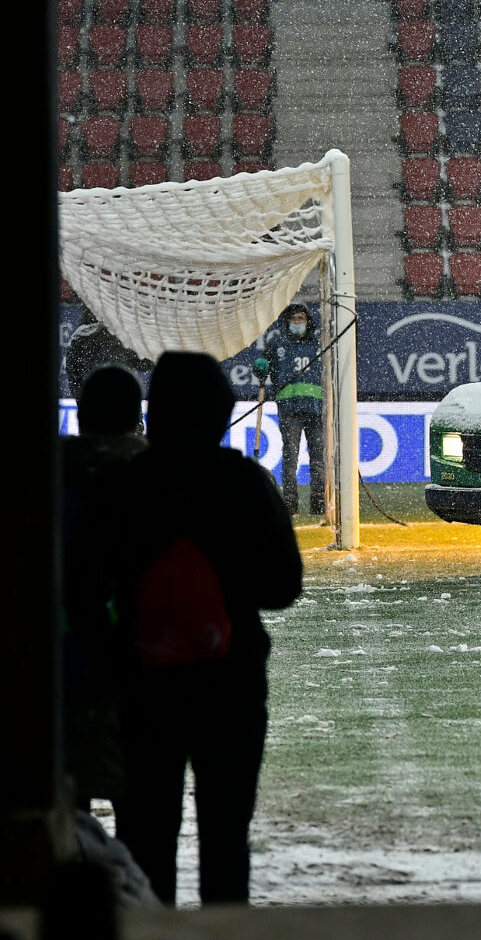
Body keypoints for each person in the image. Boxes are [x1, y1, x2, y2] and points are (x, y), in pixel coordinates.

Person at [104, 351, 303, 905]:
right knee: (225, 843)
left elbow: (92, 583)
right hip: (230, 684)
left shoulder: (126, 486)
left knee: (144, 839)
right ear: (221, 411)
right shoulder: (244, 482)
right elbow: (284, 586)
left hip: (143, 688)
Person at [61, 365, 148, 812]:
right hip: (143, 664)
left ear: (81, 414)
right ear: (136, 416)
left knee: (61, 805)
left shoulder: (48, 476)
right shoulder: (159, 479)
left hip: (58, 664)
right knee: (143, 809)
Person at [253, 302, 325, 516]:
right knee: (290, 459)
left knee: (318, 459)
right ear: (287, 322)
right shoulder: (277, 344)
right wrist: (259, 367)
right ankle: (290, 504)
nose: (297, 323)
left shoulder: (318, 344)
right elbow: (261, 368)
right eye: (294, 319)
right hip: (289, 410)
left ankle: (319, 503)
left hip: (315, 409)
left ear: (307, 321)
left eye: (301, 319)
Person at [65, 306, 153, 399]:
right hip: (122, 399)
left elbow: (73, 375)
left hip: (93, 402)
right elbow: (144, 364)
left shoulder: (77, 338)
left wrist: (82, 401)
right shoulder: (120, 335)